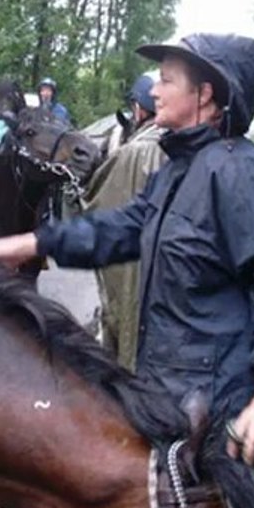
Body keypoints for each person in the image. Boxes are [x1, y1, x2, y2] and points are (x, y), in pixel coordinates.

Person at [0, 33, 254, 508]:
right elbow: (121, 229)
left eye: (166, 80)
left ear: (205, 94)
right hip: (175, 398)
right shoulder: (179, 170)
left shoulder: (239, 175)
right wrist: (32, 244)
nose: (154, 91)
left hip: (226, 412)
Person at [84, 71, 166, 371]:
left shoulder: (136, 152)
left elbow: (100, 201)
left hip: (135, 261)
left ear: (139, 109)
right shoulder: (180, 144)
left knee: (125, 311)